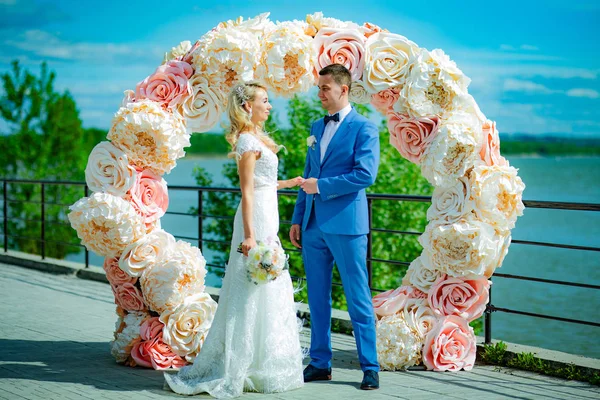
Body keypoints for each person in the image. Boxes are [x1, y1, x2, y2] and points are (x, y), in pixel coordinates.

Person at [164, 82, 305, 398]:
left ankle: (262, 364)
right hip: (254, 220)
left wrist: (292, 182)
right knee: (249, 288)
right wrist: (251, 236)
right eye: (264, 101)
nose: (269, 106)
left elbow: (264, 183)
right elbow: (247, 190)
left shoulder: (257, 139)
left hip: (268, 214)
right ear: (247, 106)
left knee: (269, 287)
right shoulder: (246, 141)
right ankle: (237, 366)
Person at [290, 64, 381, 390]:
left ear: (343, 90)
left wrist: (323, 186)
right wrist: (298, 219)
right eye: (319, 88)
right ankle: (319, 363)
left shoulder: (365, 128)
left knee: (358, 297)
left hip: (347, 226)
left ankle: (370, 367)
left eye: (325, 88)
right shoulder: (316, 125)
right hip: (313, 225)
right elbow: (306, 175)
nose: (320, 94)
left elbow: (365, 175)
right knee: (316, 298)